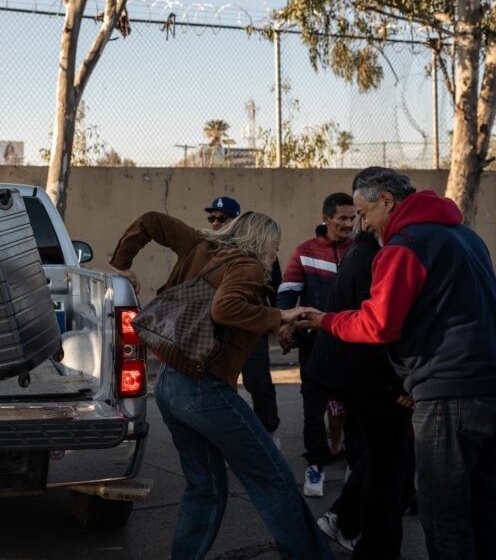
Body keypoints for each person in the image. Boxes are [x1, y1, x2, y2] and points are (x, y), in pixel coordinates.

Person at [297, 167, 496, 559]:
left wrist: (325, 321)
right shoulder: (468, 237)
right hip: (486, 388)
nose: (362, 224)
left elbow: (378, 324)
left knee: (445, 518)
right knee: (484, 510)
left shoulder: (403, 245)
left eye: (364, 212)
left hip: (445, 395)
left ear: (386, 201)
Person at [110, 210, 332, 559]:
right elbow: (224, 309)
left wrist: (122, 265)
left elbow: (151, 220)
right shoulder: (249, 266)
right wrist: (282, 315)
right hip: (203, 388)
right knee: (272, 477)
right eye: (274, 246)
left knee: (206, 488)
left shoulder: (199, 245)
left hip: (170, 383)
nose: (275, 254)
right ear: (262, 242)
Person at [305, 223, 413, 558]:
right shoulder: (374, 259)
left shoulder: (366, 253)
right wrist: (398, 386)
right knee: (389, 459)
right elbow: (376, 331)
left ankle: (345, 518)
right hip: (364, 374)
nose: (352, 222)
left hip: (356, 372)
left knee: (385, 455)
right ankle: (357, 529)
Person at [277, 192, 356, 497]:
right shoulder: (304, 252)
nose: (349, 224)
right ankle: (316, 467)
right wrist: (285, 323)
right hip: (316, 344)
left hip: (354, 341)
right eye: (343, 218)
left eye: (353, 218)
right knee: (314, 406)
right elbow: (287, 293)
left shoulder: (362, 251)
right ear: (327, 219)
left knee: (354, 405)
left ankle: (354, 462)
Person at [206, 197, 282, 443]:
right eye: (212, 218)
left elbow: (276, 291)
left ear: (236, 222)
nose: (216, 223)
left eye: (222, 218)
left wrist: (281, 323)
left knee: (258, 383)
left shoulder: (263, 254)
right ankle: (226, 439)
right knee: (220, 386)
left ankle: (269, 433)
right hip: (219, 331)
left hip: (252, 329)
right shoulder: (209, 251)